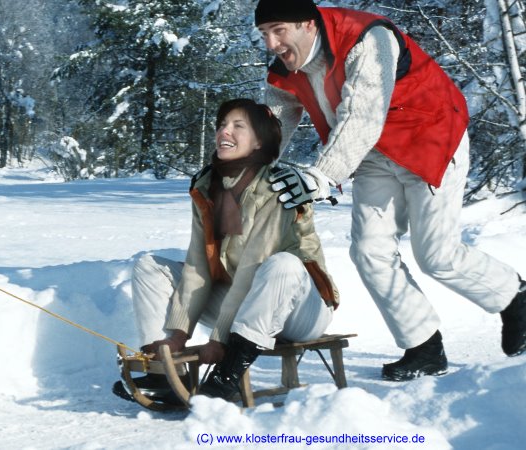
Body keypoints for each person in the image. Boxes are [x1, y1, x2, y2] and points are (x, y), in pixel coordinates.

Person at [253, 0, 526, 381]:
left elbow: (363, 114)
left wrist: (322, 175)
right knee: (369, 250)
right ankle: (424, 346)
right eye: (264, 33)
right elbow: (275, 123)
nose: (271, 43)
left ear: (307, 23)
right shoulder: (287, 67)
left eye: (278, 29)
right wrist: (245, 172)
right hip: (371, 155)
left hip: (428, 138)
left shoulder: (368, 37)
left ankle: (515, 297)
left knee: (437, 255)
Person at [113, 99, 340, 405]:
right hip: (244, 303)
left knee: (281, 264)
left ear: (259, 140)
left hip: (301, 309)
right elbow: (198, 266)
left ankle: (228, 374)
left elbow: (252, 266)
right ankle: (165, 374)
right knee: (149, 265)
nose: (224, 131)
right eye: (222, 124)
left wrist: (219, 340)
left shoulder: (279, 186)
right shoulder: (208, 187)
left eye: (238, 126)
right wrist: (178, 334)